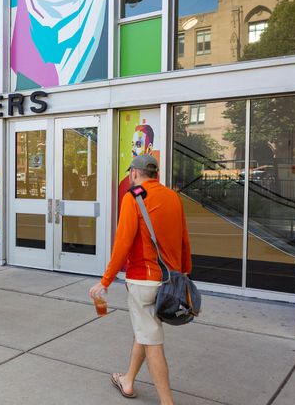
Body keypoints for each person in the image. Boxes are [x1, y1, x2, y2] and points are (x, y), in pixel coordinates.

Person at [89, 155, 192, 404]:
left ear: (134, 173)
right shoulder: (173, 197)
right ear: (155, 173)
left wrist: (105, 281)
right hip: (170, 281)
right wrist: (184, 275)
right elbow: (184, 240)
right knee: (145, 332)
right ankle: (128, 380)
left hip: (143, 280)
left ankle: (167, 401)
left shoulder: (133, 197)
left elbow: (122, 242)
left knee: (152, 340)